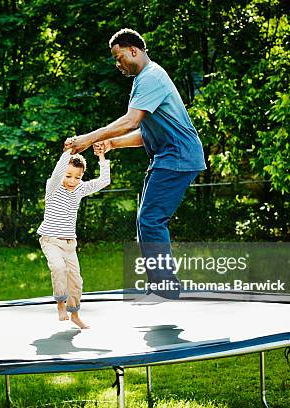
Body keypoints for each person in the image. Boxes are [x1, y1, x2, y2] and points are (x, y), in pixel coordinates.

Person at [66, 28, 206, 299]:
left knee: (151, 219)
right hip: (172, 156)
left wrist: (88, 138)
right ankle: (161, 286)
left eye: (119, 58)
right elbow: (146, 132)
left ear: (134, 50)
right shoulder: (145, 79)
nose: (118, 64)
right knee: (147, 220)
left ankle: (164, 288)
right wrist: (113, 143)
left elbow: (130, 121)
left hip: (177, 156)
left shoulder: (151, 76)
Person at [37, 143, 111, 328]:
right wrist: (70, 150)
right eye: (69, 175)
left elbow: (104, 181)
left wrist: (102, 157)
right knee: (59, 268)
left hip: (70, 244)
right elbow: (57, 172)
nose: (72, 180)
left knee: (76, 281)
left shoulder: (79, 189)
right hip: (51, 240)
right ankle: (60, 305)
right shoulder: (53, 187)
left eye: (77, 177)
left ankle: (75, 314)